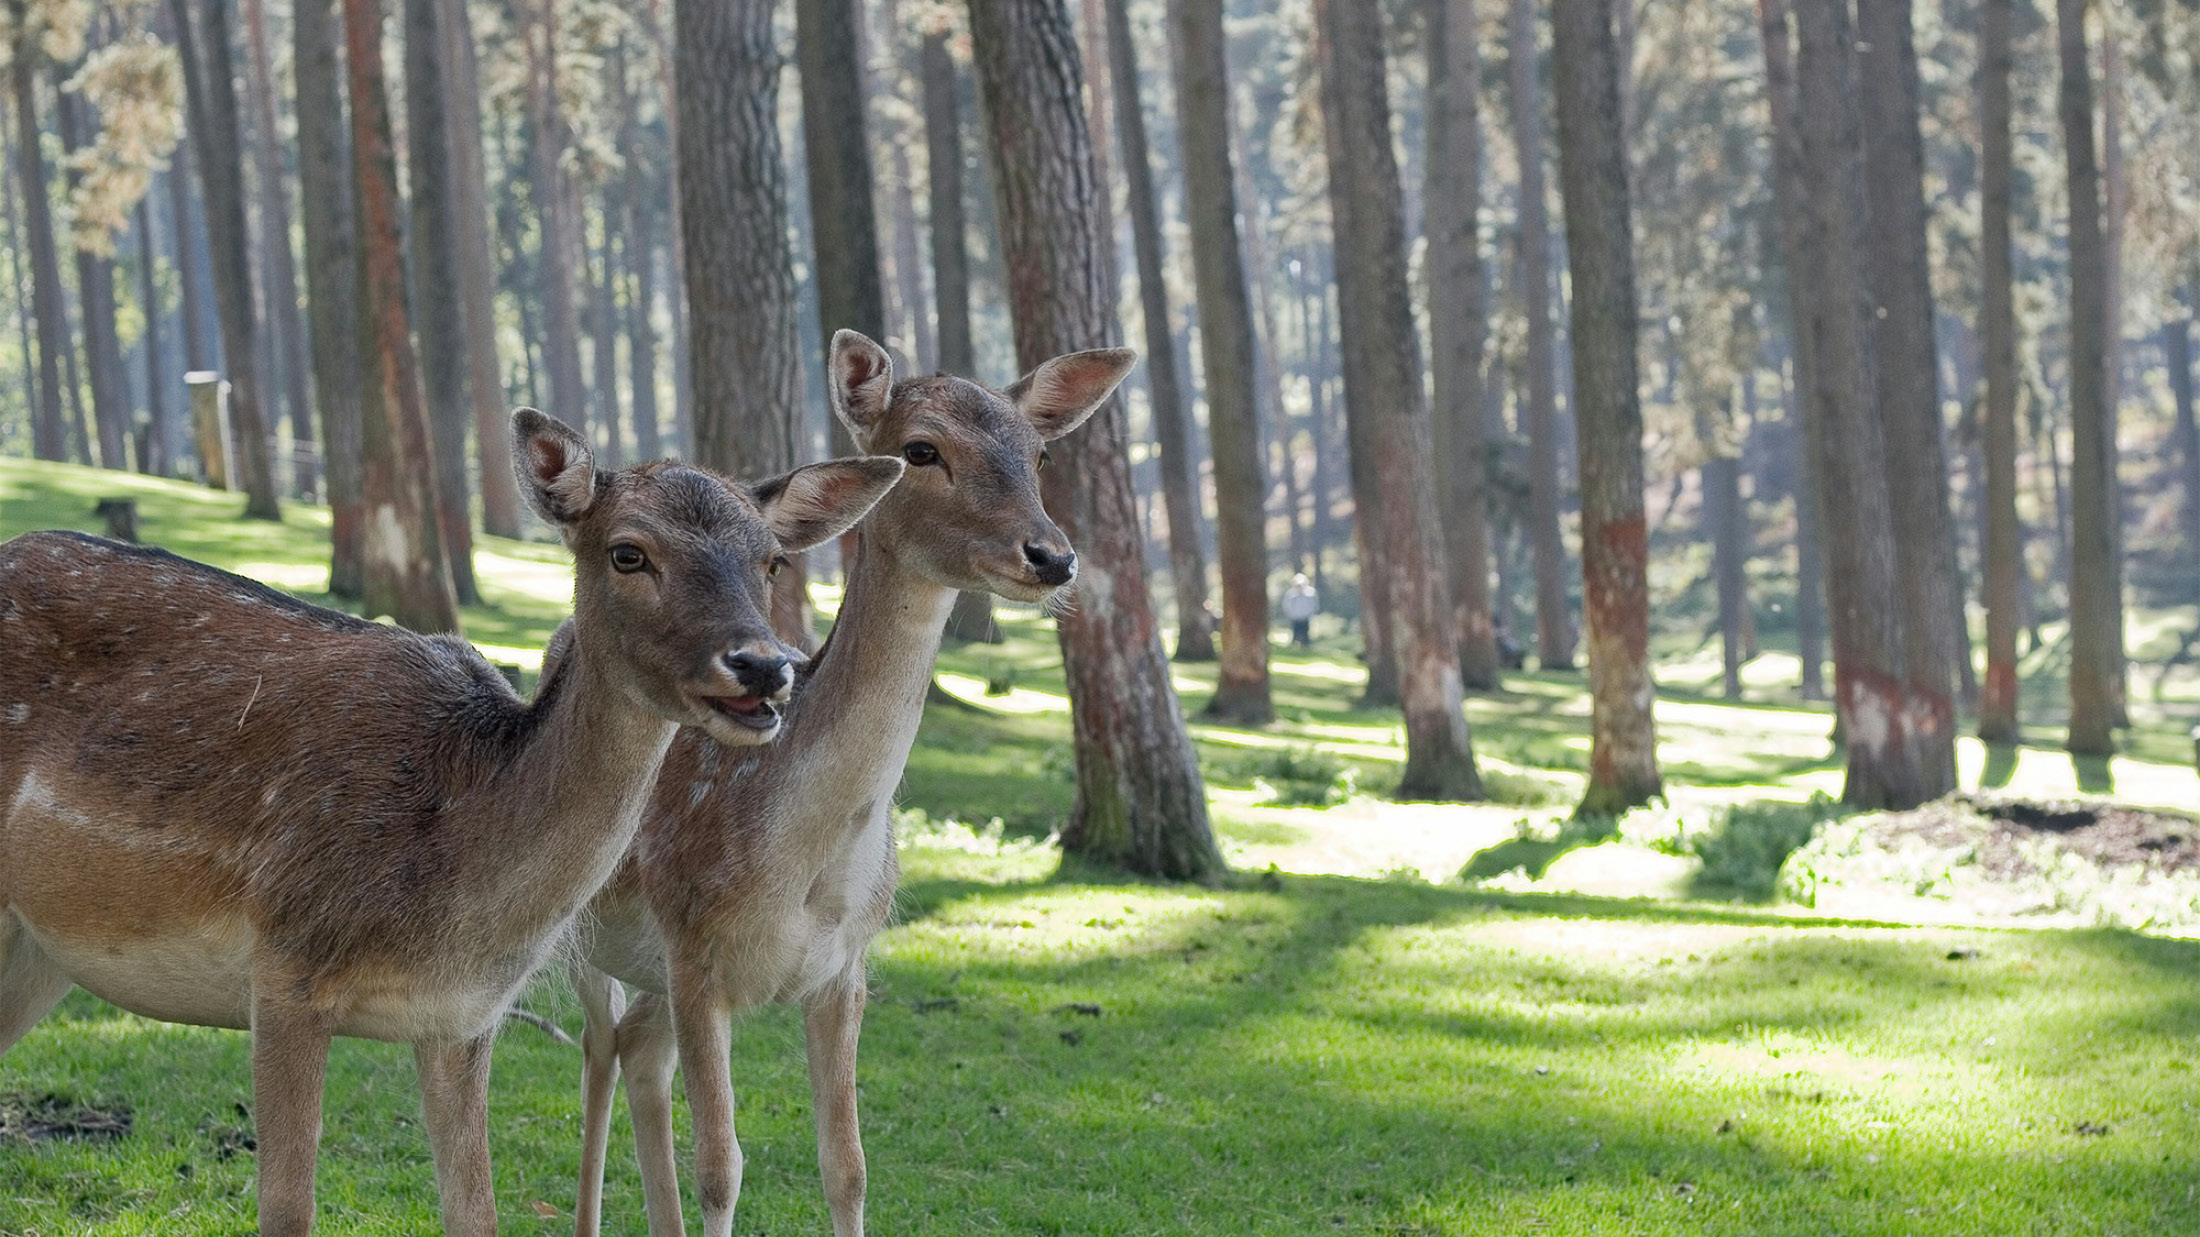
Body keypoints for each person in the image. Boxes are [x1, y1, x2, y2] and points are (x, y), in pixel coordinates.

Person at [1281, 573, 1319, 648]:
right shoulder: (1291, 593)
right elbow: (1286, 605)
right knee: (1295, 632)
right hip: (1295, 617)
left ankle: (1305, 646)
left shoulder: (1310, 592)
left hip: (1305, 617)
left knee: (1305, 633)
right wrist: (1290, 614)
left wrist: (1310, 614)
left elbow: (1314, 605)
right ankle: (1294, 646)